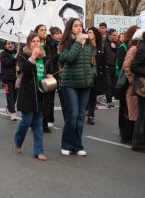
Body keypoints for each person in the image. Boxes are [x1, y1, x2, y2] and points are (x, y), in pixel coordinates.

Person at [59, 18, 94, 156]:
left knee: (80, 117)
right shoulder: (66, 43)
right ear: (70, 28)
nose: (79, 28)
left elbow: (91, 61)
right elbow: (68, 59)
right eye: (75, 26)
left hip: (85, 83)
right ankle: (66, 144)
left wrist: (92, 75)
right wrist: (78, 43)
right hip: (70, 83)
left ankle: (77, 145)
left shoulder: (88, 43)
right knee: (72, 115)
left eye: (80, 26)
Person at [14, 32, 47, 161]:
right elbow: (25, 71)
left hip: (40, 92)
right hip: (28, 93)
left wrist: (48, 75)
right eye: (33, 41)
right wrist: (32, 57)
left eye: (38, 41)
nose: (36, 43)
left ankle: (38, 151)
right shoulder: (23, 55)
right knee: (26, 121)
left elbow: (44, 70)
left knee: (38, 123)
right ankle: (18, 141)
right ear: (29, 43)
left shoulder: (43, 55)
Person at [121, 29, 145, 144]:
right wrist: (132, 80)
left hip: (143, 85)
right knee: (135, 112)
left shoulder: (144, 49)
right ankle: (129, 137)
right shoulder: (134, 48)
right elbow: (126, 66)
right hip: (135, 85)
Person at [34, 24, 57, 133]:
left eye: (45, 30)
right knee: (37, 101)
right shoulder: (33, 44)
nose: (44, 31)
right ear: (36, 32)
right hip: (36, 76)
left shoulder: (49, 45)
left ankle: (44, 123)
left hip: (47, 76)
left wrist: (50, 72)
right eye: (41, 30)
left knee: (46, 101)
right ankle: (34, 123)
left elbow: (50, 59)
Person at [116, 25, 138, 133]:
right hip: (125, 80)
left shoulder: (134, 46)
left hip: (129, 80)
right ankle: (122, 128)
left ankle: (128, 128)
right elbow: (121, 63)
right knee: (123, 105)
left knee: (129, 106)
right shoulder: (124, 46)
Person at [85, 27, 103, 125]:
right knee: (85, 94)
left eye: (91, 32)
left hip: (96, 73)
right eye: (87, 32)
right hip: (87, 73)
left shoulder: (100, 46)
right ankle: (85, 110)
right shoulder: (85, 44)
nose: (89, 34)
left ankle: (91, 115)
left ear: (95, 34)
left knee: (93, 95)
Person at [0, 40, 19, 121]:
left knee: (15, 95)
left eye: (12, 43)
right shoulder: (3, 54)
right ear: (5, 45)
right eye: (8, 44)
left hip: (16, 78)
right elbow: (7, 63)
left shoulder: (17, 53)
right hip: (8, 78)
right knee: (10, 96)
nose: (10, 45)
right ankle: (13, 112)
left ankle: (8, 108)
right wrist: (15, 56)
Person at [104, 28, 119, 108]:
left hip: (115, 68)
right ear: (109, 35)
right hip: (107, 68)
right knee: (108, 84)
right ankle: (108, 101)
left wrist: (115, 47)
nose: (115, 36)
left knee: (113, 85)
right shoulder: (104, 43)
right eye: (114, 35)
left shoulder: (117, 43)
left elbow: (120, 52)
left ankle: (110, 99)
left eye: (116, 35)